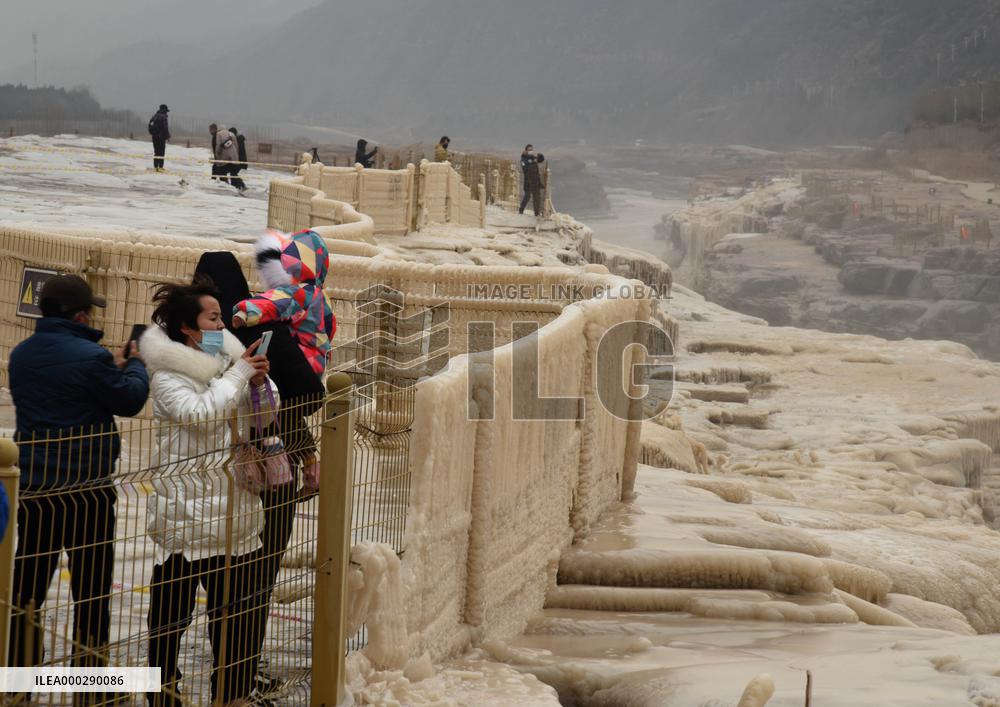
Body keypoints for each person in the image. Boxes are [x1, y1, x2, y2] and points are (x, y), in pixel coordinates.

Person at [140, 275, 275, 706]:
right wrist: (238, 374)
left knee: (235, 625)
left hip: (236, 519)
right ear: (188, 328)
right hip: (185, 526)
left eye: (222, 316)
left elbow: (263, 421)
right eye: (213, 317)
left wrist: (258, 385)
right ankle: (162, 696)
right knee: (167, 624)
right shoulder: (167, 375)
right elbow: (200, 415)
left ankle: (231, 697)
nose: (223, 324)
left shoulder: (227, 367)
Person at [194, 251, 324, 698]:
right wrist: (301, 452)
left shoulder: (198, 337)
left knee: (213, 582)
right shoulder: (265, 327)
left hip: (209, 479)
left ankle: (183, 678)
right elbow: (307, 395)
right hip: (272, 472)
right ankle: (237, 676)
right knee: (256, 581)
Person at [8, 275, 149, 671]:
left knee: (29, 584)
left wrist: (111, 369)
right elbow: (131, 400)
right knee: (90, 591)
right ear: (83, 316)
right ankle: (89, 681)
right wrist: (135, 365)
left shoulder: (21, 354)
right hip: (87, 491)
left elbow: (64, 390)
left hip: (36, 489)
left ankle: (19, 674)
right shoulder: (92, 358)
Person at [233, 230, 336, 380]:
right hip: (319, 361)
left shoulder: (297, 292)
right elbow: (330, 327)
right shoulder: (322, 295)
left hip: (302, 361)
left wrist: (244, 311)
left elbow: (271, 303)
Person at [211, 125, 246, 193]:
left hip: (226, 158)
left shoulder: (219, 134)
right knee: (233, 173)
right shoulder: (230, 134)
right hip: (234, 157)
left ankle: (227, 186)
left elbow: (218, 145)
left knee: (222, 171)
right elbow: (236, 146)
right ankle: (240, 186)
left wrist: (217, 154)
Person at [520, 149, 544, 216]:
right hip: (530, 182)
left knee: (534, 197)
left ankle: (536, 212)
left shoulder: (532, 161)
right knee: (531, 197)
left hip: (532, 183)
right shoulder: (527, 161)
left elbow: (536, 175)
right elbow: (527, 171)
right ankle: (522, 210)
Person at [149, 104, 171, 172]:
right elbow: (165, 128)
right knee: (161, 152)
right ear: (164, 110)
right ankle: (160, 167)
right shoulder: (163, 117)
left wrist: (152, 133)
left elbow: (150, 125)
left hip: (154, 137)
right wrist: (167, 136)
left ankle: (156, 167)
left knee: (156, 152)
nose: (166, 112)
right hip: (161, 138)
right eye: (166, 111)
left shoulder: (154, 116)